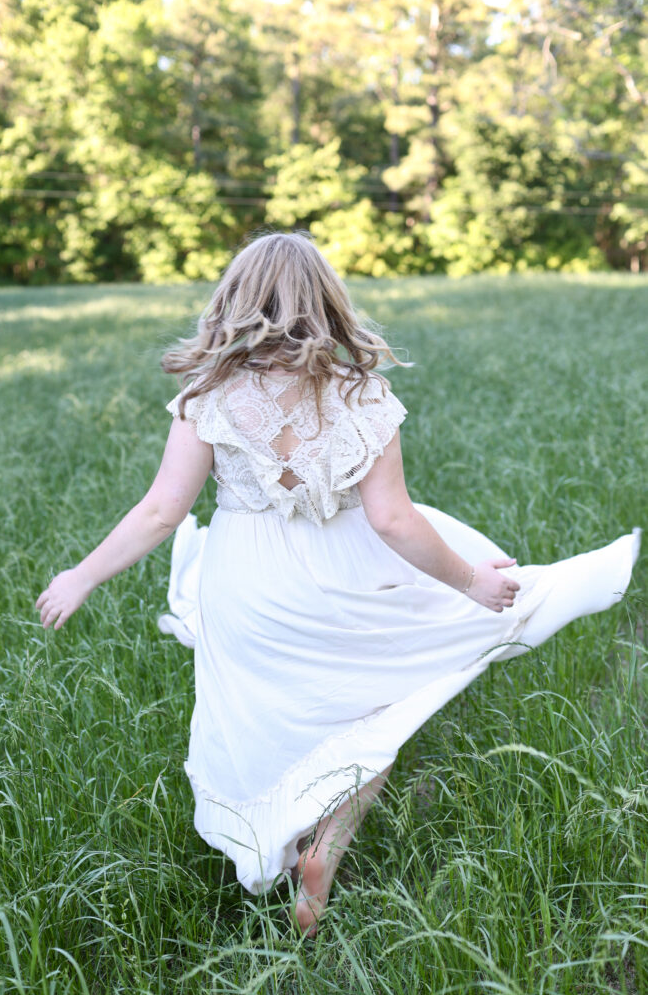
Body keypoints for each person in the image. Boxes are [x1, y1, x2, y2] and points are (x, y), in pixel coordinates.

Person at [36, 231, 640, 939]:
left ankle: (278, 835)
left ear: (235, 301)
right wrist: (469, 581)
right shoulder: (364, 396)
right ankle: (328, 845)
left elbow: (161, 511)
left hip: (249, 585)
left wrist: (82, 574)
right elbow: (391, 520)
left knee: (268, 714)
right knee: (376, 713)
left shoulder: (211, 397)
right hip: (346, 575)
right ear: (327, 303)